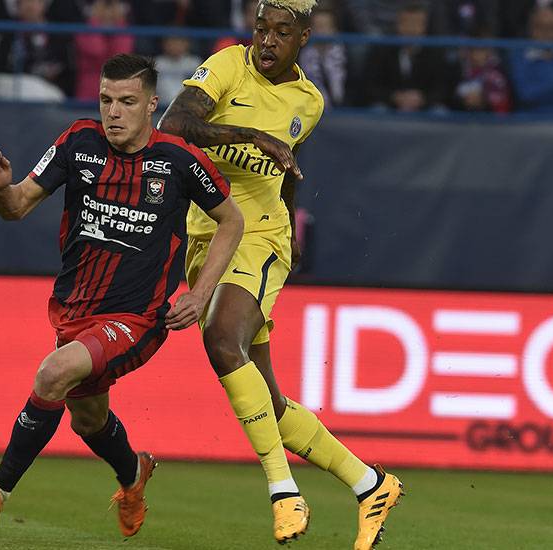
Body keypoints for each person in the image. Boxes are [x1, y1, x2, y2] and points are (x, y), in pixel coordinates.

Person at [158, 1, 403, 547]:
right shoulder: (226, 66)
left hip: (262, 235)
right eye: (261, 29)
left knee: (223, 342)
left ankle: (283, 491)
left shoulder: (309, 101)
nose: (267, 41)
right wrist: (253, 137)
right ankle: (372, 485)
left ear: (304, 38)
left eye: (281, 33)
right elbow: (173, 124)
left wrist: (288, 226)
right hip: (208, 234)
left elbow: (287, 170)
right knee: (265, 400)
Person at [0, 54, 243, 538]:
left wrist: (200, 294)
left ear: (151, 105)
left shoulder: (179, 160)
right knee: (87, 420)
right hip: (75, 312)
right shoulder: (78, 142)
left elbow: (231, 220)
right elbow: (16, 206)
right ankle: (132, 474)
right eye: (105, 100)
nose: (113, 112)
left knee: (53, 373)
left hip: (138, 318)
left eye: (126, 102)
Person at [363, 1, 454, 112]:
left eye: (417, 23)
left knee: (440, 112)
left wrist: (422, 99)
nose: (411, 29)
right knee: (377, 110)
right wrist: (394, 97)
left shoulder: (435, 52)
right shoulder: (382, 49)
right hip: (390, 106)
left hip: (425, 107)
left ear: (424, 26)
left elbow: (442, 89)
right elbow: (370, 86)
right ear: (398, 25)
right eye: (407, 23)